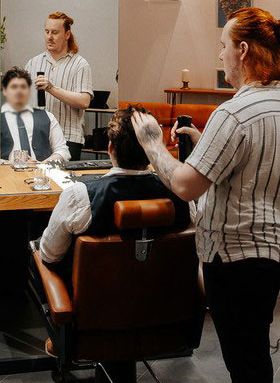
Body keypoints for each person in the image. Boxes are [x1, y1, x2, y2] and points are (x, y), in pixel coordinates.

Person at [131, 8, 280, 383]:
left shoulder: (236, 113)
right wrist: (200, 146)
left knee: (247, 365)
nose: (220, 53)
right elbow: (249, 170)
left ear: (244, 51)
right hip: (276, 253)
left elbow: (186, 185)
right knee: (250, 358)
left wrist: (153, 144)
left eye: (223, 45)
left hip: (238, 256)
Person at [36, 104, 190, 273]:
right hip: (164, 288)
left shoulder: (80, 196)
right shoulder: (182, 194)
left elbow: (50, 255)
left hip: (95, 289)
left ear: (110, 148)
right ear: (156, 147)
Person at [26, 12, 93, 161]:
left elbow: (84, 101)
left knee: (63, 177)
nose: (49, 37)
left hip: (68, 137)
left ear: (67, 34)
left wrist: (51, 88)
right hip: (37, 137)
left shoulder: (80, 65)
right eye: (47, 32)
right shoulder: (33, 63)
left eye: (55, 32)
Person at [0, 68, 70, 163]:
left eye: (23, 87)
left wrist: (43, 164)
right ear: (5, 91)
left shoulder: (48, 117)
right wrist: (7, 163)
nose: (19, 91)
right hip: (6, 170)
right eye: (14, 87)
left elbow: (63, 151)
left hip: (41, 170)